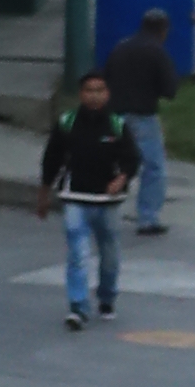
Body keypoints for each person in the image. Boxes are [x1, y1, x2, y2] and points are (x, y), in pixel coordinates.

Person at [41, 73, 142, 330]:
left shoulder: (117, 125)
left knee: (109, 254)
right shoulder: (68, 123)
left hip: (107, 201)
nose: (94, 95)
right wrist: (44, 192)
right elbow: (52, 159)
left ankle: (107, 297)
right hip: (75, 197)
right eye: (88, 90)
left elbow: (132, 159)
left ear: (107, 94)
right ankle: (78, 307)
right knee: (77, 252)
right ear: (80, 94)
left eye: (99, 90)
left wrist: (121, 178)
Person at [102, 7, 181, 235]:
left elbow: (105, 78)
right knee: (153, 168)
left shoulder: (121, 47)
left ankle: (101, 213)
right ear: (163, 30)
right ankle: (147, 219)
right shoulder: (157, 52)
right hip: (143, 117)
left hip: (115, 116)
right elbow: (170, 90)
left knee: (113, 165)